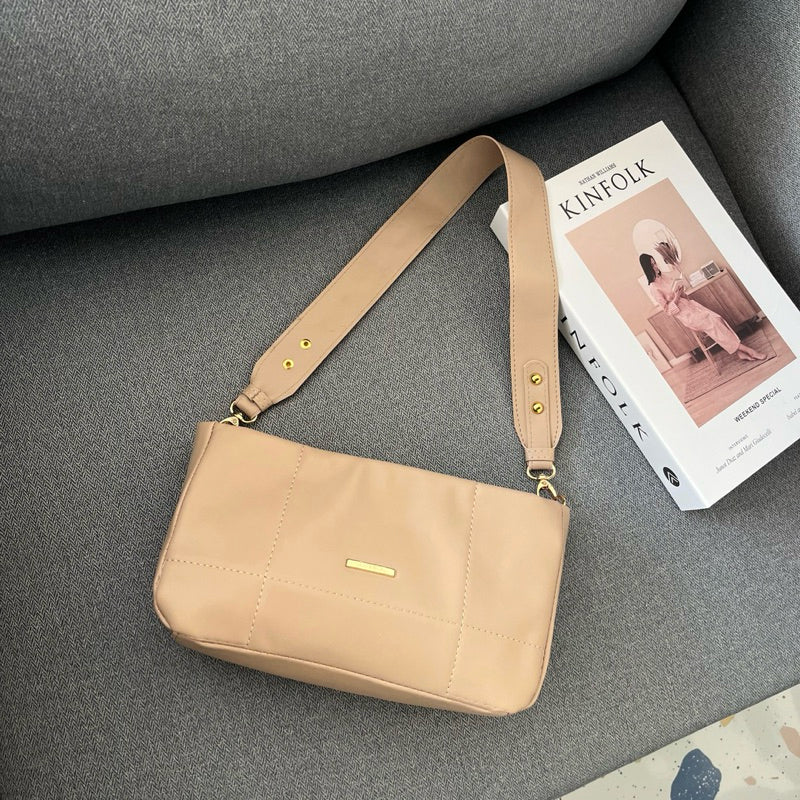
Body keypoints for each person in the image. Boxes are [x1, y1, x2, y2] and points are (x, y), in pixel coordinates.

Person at [639, 254, 766, 361]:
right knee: (714, 324)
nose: (656, 266)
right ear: (647, 268)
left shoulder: (664, 277)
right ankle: (748, 350)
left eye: (655, 263)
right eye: (652, 265)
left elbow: (677, 291)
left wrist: (680, 290)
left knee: (717, 318)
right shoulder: (654, 288)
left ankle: (739, 352)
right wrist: (676, 297)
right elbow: (668, 311)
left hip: (691, 306)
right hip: (686, 315)